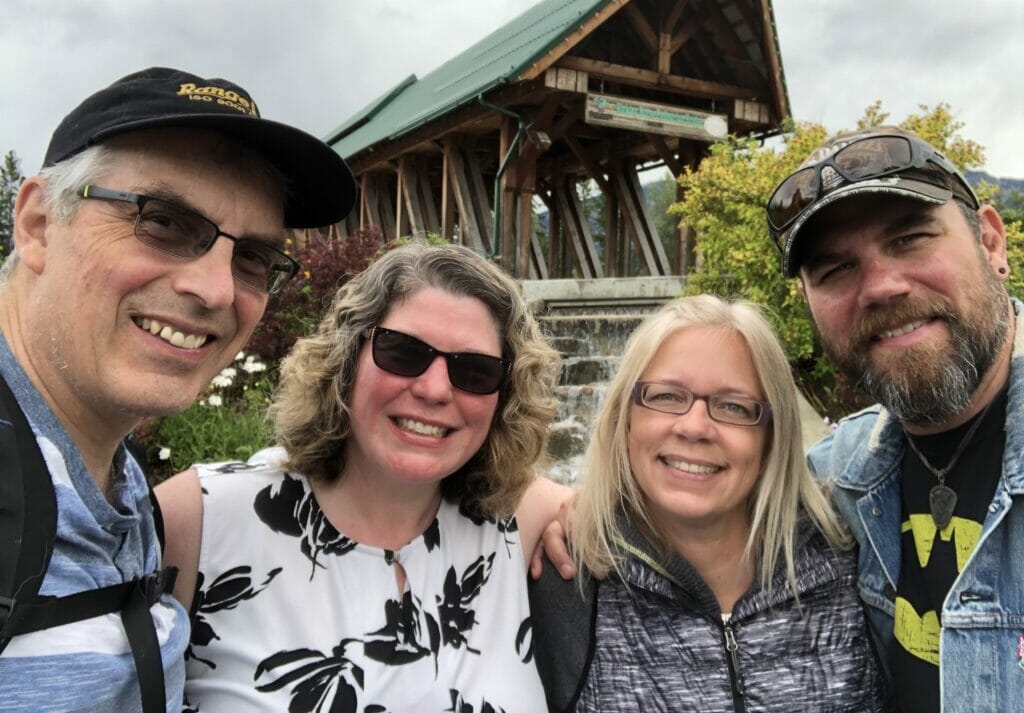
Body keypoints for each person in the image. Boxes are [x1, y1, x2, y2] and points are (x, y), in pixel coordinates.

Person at [0, 67, 356, 713]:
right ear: (38, 224)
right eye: (162, 221)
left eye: (252, 257)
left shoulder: (109, 468)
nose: (217, 289)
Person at [156, 242, 567, 712]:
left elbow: (628, 512)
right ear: (348, 359)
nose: (434, 390)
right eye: (403, 352)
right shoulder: (199, 521)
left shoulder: (517, 521)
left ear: (504, 398)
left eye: (474, 371)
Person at [765, 126, 1022, 712]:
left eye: (909, 239)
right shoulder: (834, 479)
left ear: (991, 242)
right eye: (834, 271)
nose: (881, 287)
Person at [529, 295, 889, 712]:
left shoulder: (856, 561)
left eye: (734, 406)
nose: (695, 427)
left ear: (772, 435)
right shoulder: (565, 585)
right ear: (623, 418)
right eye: (665, 397)